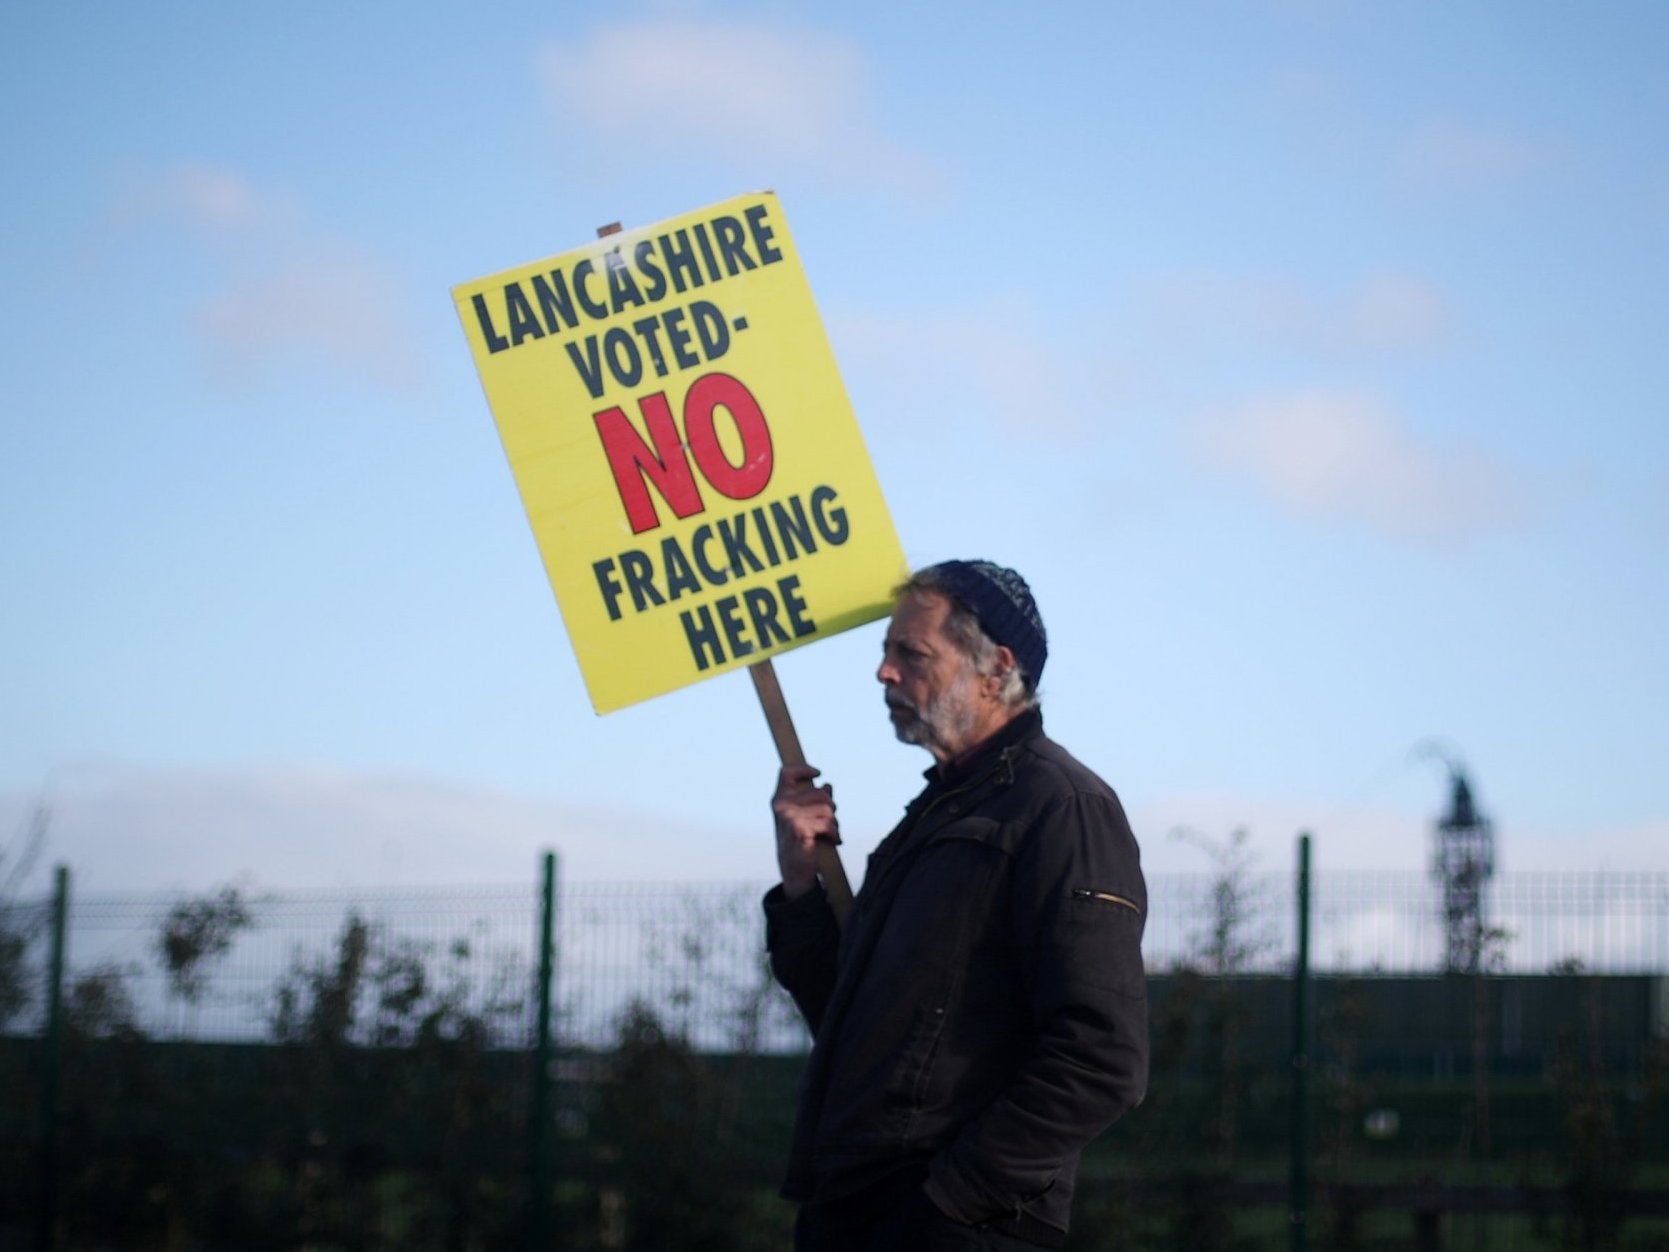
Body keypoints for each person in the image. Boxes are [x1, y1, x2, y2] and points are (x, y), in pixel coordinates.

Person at [765, 560, 1149, 1250]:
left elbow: (1101, 1054)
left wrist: (954, 1199)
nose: (883, 673)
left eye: (909, 653)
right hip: (853, 1206)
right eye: (884, 652)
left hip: (952, 1224)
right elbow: (849, 1019)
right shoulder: (932, 816)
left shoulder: (1063, 808)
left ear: (995, 667)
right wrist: (800, 885)